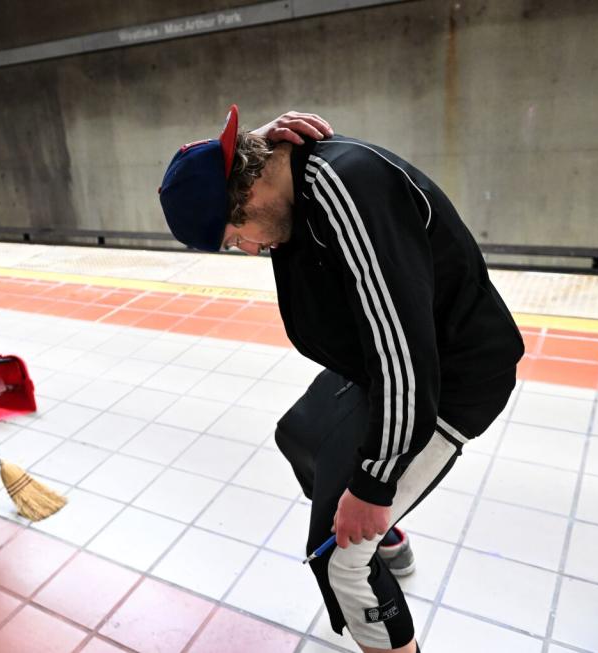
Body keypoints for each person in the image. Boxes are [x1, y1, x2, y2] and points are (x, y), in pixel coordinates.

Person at [159, 106, 524, 653]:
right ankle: (390, 541)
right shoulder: (280, 175)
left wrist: (374, 486)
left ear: (251, 186)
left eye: (238, 237)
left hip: (446, 381)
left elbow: (404, 346)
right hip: (379, 369)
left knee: (339, 560)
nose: (252, 249)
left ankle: (382, 582)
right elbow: (239, 166)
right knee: (302, 435)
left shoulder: (341, 187)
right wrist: (253, 142)